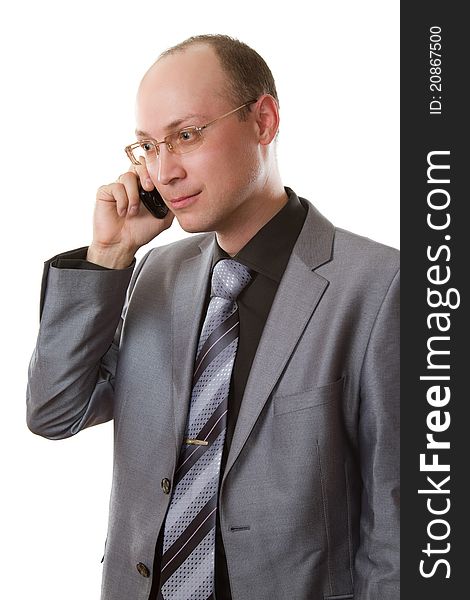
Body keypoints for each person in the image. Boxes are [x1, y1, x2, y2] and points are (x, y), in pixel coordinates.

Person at [27, 34, 399, 600]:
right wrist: (109, 257)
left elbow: (401, 531)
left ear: (264, 121)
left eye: (186, 135)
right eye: (147, 146)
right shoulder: (152, 274)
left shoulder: (380, 286)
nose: (164, 170)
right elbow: (55, 411)